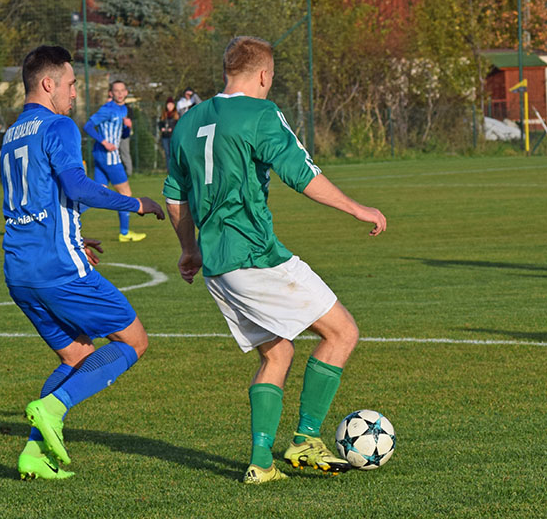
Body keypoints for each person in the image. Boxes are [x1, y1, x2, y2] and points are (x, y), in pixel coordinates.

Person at [163, 36, 387, 484]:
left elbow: (174, 195)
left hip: (218, 265)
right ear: (264, 74)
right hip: (256, 255)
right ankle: (305, 439)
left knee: (279, 353)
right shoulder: (261, 113)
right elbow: (301, 172)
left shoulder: (187, 123)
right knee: (342, 332)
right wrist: (359, 208)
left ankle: (261, 464)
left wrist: (189, 249)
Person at [3, 45, 164, 481]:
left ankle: (34, 453)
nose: (75, 93)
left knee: (76, 355)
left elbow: (40, 200)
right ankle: (53, 408)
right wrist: (136, 202)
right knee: (134, 341)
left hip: (20, 270)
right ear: (48, 84)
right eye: (72, 84)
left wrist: (73, 233)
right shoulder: (59, 126)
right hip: (58, 268)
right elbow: (77, 185)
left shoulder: (13, 132)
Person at [83, 81, 147, 242]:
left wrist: (127, 127)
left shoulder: (123, 109)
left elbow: (124, 135)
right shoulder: (107, 109)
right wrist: (103, 141)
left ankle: (64, 215)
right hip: (109, 157)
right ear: (111, 93)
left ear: (126, 92)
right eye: (116, 91)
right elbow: (88, 126)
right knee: (126, 194)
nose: (119, 93)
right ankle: (124, 233)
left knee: (97, 192)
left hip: (103, 155)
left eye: (122, 90)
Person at [158, 97, 179, 172]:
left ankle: (175, 169)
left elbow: (178, 125)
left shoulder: (176, 115)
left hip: (173, 137)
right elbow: (160, 124)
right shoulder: (164, 115)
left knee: (173, 153)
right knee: (167, 153)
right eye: (168, 104)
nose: (169, 106)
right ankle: (169, 169)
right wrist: (162, 128)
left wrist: (172, 129)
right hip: (165, 137)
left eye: (171, 104)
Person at [118, 103, 134, 177]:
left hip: (123, 135)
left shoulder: (126, 109)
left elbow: (129, 123)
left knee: (125, 153)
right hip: (114, 135)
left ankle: (129, 172)